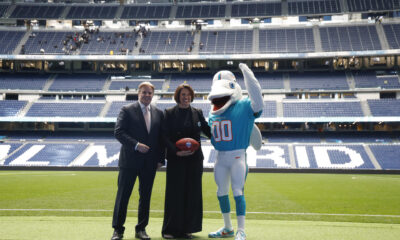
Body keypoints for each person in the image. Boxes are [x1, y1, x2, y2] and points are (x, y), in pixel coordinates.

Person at [207, 63, 264, 240]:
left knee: (238, 191)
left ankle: (241, 229)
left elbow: (257, 101)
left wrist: (248, 75)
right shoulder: (213, 113)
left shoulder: (244, 105)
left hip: (238, 156)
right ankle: (228, 227)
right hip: (220, 157)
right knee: (221, 192)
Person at [111, 81, 165, 240]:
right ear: (138, 93)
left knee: (146, 197)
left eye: (150, 93)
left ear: (153, 95)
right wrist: (135, 145)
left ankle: (141, 229)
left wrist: (161, 158)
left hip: (150, 163)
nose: (147, 95)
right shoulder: (127, 110)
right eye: (144, 92)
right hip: (129, 162)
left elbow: (160, 139)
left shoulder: (158, 113)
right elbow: (118, 132)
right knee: (123, 196)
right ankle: (118, 230)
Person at [161, 84, 211, 239]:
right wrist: (177, 151)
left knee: (192, 194)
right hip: (177, 159)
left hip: (195, 160)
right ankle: (170, 229)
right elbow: (164, 137)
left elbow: (208, 131)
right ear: (178, 96)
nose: (186, 97)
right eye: (183, 94)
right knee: (175, 193)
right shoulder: (169, 113)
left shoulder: (198, 112)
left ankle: (187, 229)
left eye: (188, 95)